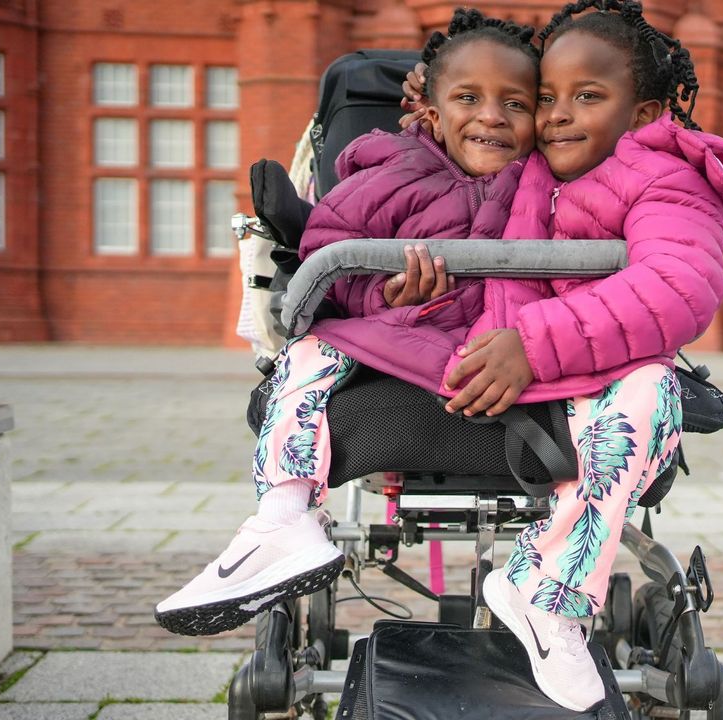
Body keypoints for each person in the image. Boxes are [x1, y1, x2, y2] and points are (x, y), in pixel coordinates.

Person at [400, 0, 723, 710]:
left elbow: (677, 286)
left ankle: (548, 595)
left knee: (649, 392)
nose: (559, 114)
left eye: (588, 96)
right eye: (547, 98)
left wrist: (533, 344)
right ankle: (544, 593)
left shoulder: (665, 177)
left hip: (590, 373)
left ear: (643, 112)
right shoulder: (530, 168)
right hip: (509, 376)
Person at [153, 8, 541, 638]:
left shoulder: (551, 189)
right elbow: (326, 263)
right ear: (431, 115)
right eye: (469, 98)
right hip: (393, 339)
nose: (492, 115)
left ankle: (550, 575)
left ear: (540, 118)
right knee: (307, 353)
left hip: (500, 354)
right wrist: (384, 291)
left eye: (514, 103)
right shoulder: (387, 178)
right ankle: (284, 518)